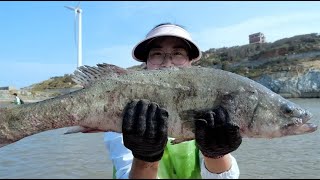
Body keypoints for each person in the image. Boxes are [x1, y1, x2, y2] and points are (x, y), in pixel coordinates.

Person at [104, 23, 242, 179]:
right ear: (146, 64)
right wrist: (144, 158)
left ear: (191, 63)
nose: (167, 64)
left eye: (178, 54)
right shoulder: (125, 110)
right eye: (157, 54)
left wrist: (216, 154)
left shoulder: (207, 107)